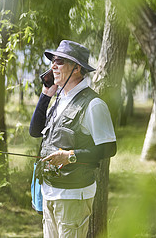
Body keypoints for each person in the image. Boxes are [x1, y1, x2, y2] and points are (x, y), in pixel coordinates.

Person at [29, 40, 117, 238]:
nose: (53, 66)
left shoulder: (94, 105)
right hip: (50, 192)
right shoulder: (60, 99)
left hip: (73, 196)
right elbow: (35, 131)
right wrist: (45, 95)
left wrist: (70, 156)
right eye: (53, 61)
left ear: (76, 68)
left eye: (59, 61)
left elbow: (109, 148)